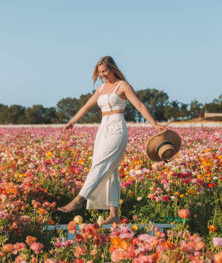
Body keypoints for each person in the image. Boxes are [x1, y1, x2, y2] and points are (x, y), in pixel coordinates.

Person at [58, 56, 167, 224]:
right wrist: (73, 121)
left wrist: (154, 124)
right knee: (111, 170)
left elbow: (139, 105)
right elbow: (87, 106)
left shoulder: (123, 86)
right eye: (100, 73)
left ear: (113, 69)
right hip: (103, 129)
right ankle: (114, 213)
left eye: (105, 71)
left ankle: (80, 198)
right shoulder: (101, 89)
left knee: (100, 164)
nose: (103, 75)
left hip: (117, 127)